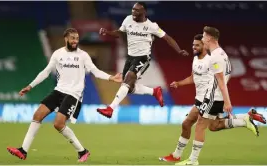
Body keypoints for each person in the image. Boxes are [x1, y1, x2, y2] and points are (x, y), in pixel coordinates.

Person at [6, 28, 122, 162]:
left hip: (74, 94)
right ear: (66, 39)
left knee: (58, 124)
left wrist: (111, 78)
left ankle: (82, 151)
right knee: (37, 115)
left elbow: (95, 71)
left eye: (77, 38)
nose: (75, 41)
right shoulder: (58, 54)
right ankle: (23, 151)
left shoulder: (83, 55)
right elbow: (46, 72)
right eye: (72, 38)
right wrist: (30, 86)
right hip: (59, 90)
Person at [159, 34, 266, 163]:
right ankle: (245, 119)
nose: (194, 47)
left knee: (201, 126)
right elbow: (193, 77)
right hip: (200, 98)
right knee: (202, 125)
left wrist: (221, 95)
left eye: (197, 45)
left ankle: (191, 159)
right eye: (193, 45)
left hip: (210, 98)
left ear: (204, 45)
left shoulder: (212, 60)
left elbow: (224, 75)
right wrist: (179, 83)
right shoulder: (195, 59)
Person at [97, 2, 189, 118]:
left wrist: (179, 50)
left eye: (137, 10)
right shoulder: (128, 20)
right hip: (130, 57)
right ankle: (154, 91)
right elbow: (120, 33)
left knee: (128, 80)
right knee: (129, 88)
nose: (133, 12)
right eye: (133, 10)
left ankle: (110, 109)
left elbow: (167, 38)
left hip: (143, 57)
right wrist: (108, 32)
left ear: (144, 12)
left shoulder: (152, 26)